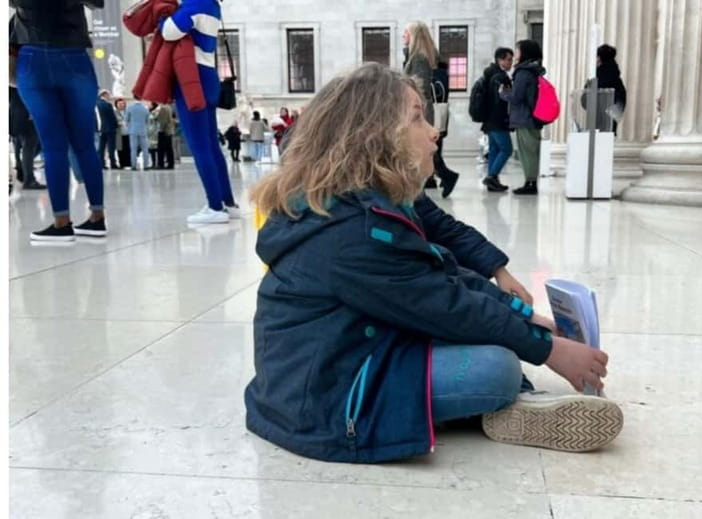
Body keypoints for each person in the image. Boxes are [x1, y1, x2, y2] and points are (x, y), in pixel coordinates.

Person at [244, 63, 622, 464]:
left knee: (492, 332)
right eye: (417, 117)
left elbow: (441, 271)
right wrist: (547, 350)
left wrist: (521, 316)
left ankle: (507, 404)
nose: (433, 131)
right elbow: (445, 303)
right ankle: (508, 399)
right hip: (325, 401)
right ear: (375, 136)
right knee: (497, 367)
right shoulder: (350, 232)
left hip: (349, 347)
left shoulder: (363, 203)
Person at [11, 0, 108, 241]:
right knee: (85, 145)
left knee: (54, 146)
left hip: (33, 58)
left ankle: (61, 222)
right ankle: (97, 218)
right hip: (74, 56)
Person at [160, 0, 239, 224]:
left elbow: (169, 31)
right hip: (207, 75)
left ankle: (215, 207)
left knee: (200, 146)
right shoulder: (212, 5)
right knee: (212, 146)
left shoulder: (196, 3)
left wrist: (162, 17)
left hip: (191, 77)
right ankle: (228, 202)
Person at [402, 21, 459, 198]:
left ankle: (446, 176)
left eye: (406, 32)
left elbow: (419, 86)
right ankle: (439, 177)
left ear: (414, 35)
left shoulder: (419, 58)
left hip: (421, 111)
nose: (403, 36)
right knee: (426, 147)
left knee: (421, 147)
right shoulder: (421, 56)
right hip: (422, 109)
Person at [500, 39, 546, 195]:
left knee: (527, 152)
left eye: (518, 50)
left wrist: (503, 93)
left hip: (525, 118)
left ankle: (530, 183)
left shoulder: (523, 72)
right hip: (532, 118)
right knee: (531, 151)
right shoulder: (533, 70)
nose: (516, 54)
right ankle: (531, 182)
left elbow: (517, 97)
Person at [481, 47, 514, 193]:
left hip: (488, 119)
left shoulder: (490, 74)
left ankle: (491, 179)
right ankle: (492, 176)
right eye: (508, 59)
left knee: (494, 149)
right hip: (497, 120)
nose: (511, 62)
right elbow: (501, 101)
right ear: (500, 59)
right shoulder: (500, 77)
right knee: (507, 149)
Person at [9, 85, 46, 190]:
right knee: (30, 145)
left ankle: (23, 169)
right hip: (27, 115)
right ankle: (28, 179)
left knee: (29, 145)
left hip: (18, 115)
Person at [591, 44, 627, 136]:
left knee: (600, 138)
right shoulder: (614, 73)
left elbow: (591, 89)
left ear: (599, 58)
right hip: (613, 111)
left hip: (602, 112)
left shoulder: (601, 73)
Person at [96, 89, 118, 169]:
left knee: (101, 147)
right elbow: (112, 117)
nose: (109, 96)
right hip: (110, 129)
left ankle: (102, 164)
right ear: (104, 95)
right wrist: (116, 125)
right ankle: (113, 164)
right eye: (108, 95)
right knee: (111, 147)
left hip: (101, 128)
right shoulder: (108, 105)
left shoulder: (97, 104)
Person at [125, 99, 150, 171]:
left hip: (133, 131)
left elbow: (126, 119)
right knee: (145, 149)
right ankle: (146, 166)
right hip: (143, 131)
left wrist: (129, 127)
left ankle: (133, 166)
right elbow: (147, 121)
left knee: (133, 149)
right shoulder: (145, 109)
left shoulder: (130, 108)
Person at [156, 102, 175, 169]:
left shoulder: (163, 108)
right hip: (169, 131)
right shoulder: (169, 107)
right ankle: (171, 164)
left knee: (161, 149)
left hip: (164, 131)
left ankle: (161, 164)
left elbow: (163, 121)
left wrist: (160, 129)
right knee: (169, 149)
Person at [114, 98, 131, 169]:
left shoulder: (128, 112)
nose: (121, 105)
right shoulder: (114, 112)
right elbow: (114, 121)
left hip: (128, 133)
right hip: (119, 133)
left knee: (128, 149)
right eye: (119, 104)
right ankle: (122, 164)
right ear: (116, 105)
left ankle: (128, 164)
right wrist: (118, 123)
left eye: (122, 104)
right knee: (120, 149)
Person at [146, 102, 160, 169]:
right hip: (151, 133)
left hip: (154, 133)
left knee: (155, 149)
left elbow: (153, 120)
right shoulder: (150, 112)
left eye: (149, 105)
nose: (148, 106)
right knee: (152, 150)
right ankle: (154, 163)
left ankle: (156, 163)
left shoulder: (155, 113)